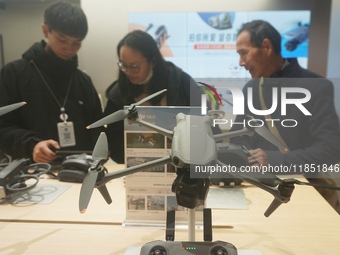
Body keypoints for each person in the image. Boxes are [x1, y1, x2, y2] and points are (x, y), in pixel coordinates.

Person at [231, 20, 340, 212]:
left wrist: (271, 160)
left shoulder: (316, 86)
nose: (241, 62)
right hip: (255, 193)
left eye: (243, 53)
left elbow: (330, 151)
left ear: (266, 47)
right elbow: (236, 138)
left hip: (305, 197)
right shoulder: (251, 89)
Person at [0, 2, 103, 164]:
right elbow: (3, 126)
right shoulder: (13, 74)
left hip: (81, 170)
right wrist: (32, 145)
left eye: (76, 43)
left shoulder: (83, 81)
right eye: (62, 40)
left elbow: (97, 127)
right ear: (45, 30)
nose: (69, 48)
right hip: (33, 173)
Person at [103, 30, 202, 164]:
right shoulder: (118, 94)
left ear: (152, 60)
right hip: (136, 167)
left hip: (182, 166)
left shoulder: (181, 83)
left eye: (134, 66)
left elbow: (205, 128)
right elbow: (114, 145)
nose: (128, 72)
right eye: (123, 65)